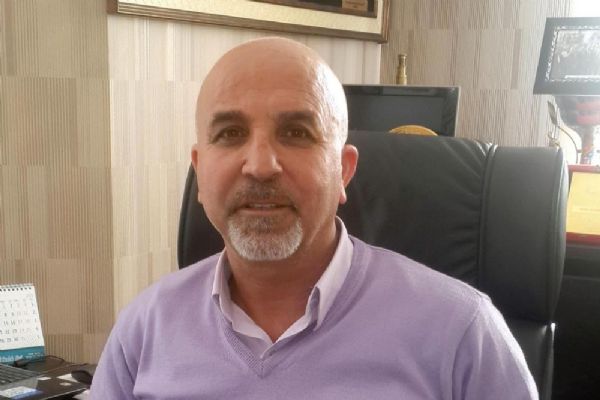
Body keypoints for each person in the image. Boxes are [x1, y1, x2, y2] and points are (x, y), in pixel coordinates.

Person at [90, 37, 538, 399]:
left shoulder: (461, 332)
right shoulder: (144, 329)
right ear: (200, 170)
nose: (260, 165)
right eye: (230, 133)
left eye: (295, 133)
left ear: (343, 170)